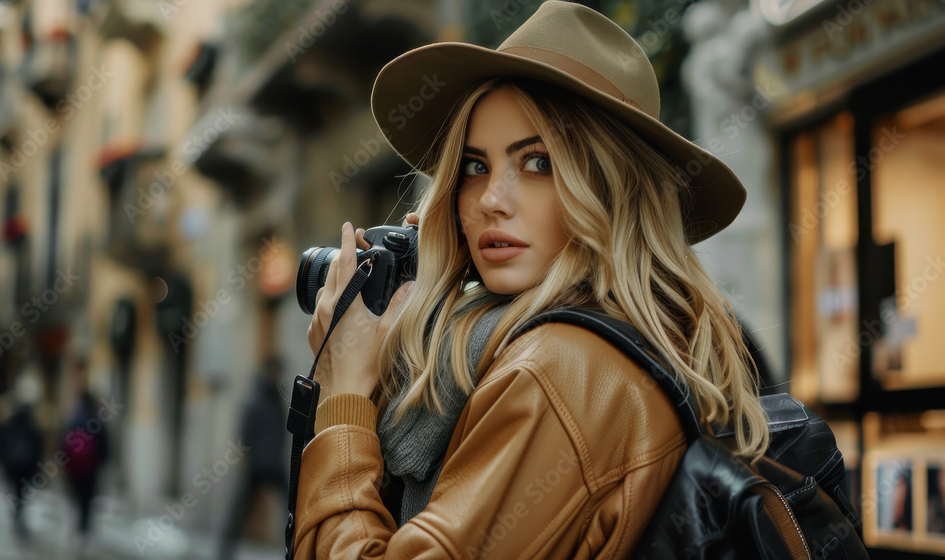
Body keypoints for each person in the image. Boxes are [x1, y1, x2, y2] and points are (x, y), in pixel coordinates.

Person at [296, 2, 771, 557]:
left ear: (612, 190)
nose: (491, 201)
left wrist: (345, 396)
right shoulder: (635, 339)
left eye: (538, 162)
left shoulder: (556, 369)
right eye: (475, 167)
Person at [219, 356, 291, 559]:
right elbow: (245, 434)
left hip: (273, 463)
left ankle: (295, 550)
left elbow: (281, 430)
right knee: (239, 510)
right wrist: (252, 457)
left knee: (291, 506)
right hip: (256, 465)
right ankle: (224, 553)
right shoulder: (256, 398)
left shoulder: (276, 397)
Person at [0, 371, 45, 540]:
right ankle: (19, 512)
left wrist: (1, 460)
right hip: (26, 464)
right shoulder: (33, 422)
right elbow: (38, 445)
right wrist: (38, 466)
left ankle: (17, 512)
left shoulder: (11, 419)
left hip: (12, 463)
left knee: (16, 489)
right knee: (21, 491)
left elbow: (2, 439)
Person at [61, 378, 110, 547]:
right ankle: (83, 528)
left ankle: (77, 527)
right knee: (87, 500)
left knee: (76, 496)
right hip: (90, 469)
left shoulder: (74, 417)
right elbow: (104, 447)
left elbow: (64, 443)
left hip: (73, 469)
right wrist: (100, 463)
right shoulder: (97, 420)